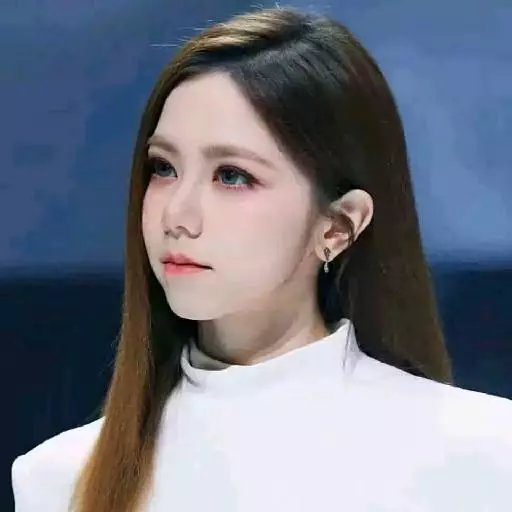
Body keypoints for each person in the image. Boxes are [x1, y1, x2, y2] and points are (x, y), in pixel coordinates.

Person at [12, 6, 512, 512]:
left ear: (338, 226)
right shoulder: (60, 480)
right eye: (163, 167)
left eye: (232, 176)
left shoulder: (484, 456)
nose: (177, 215)